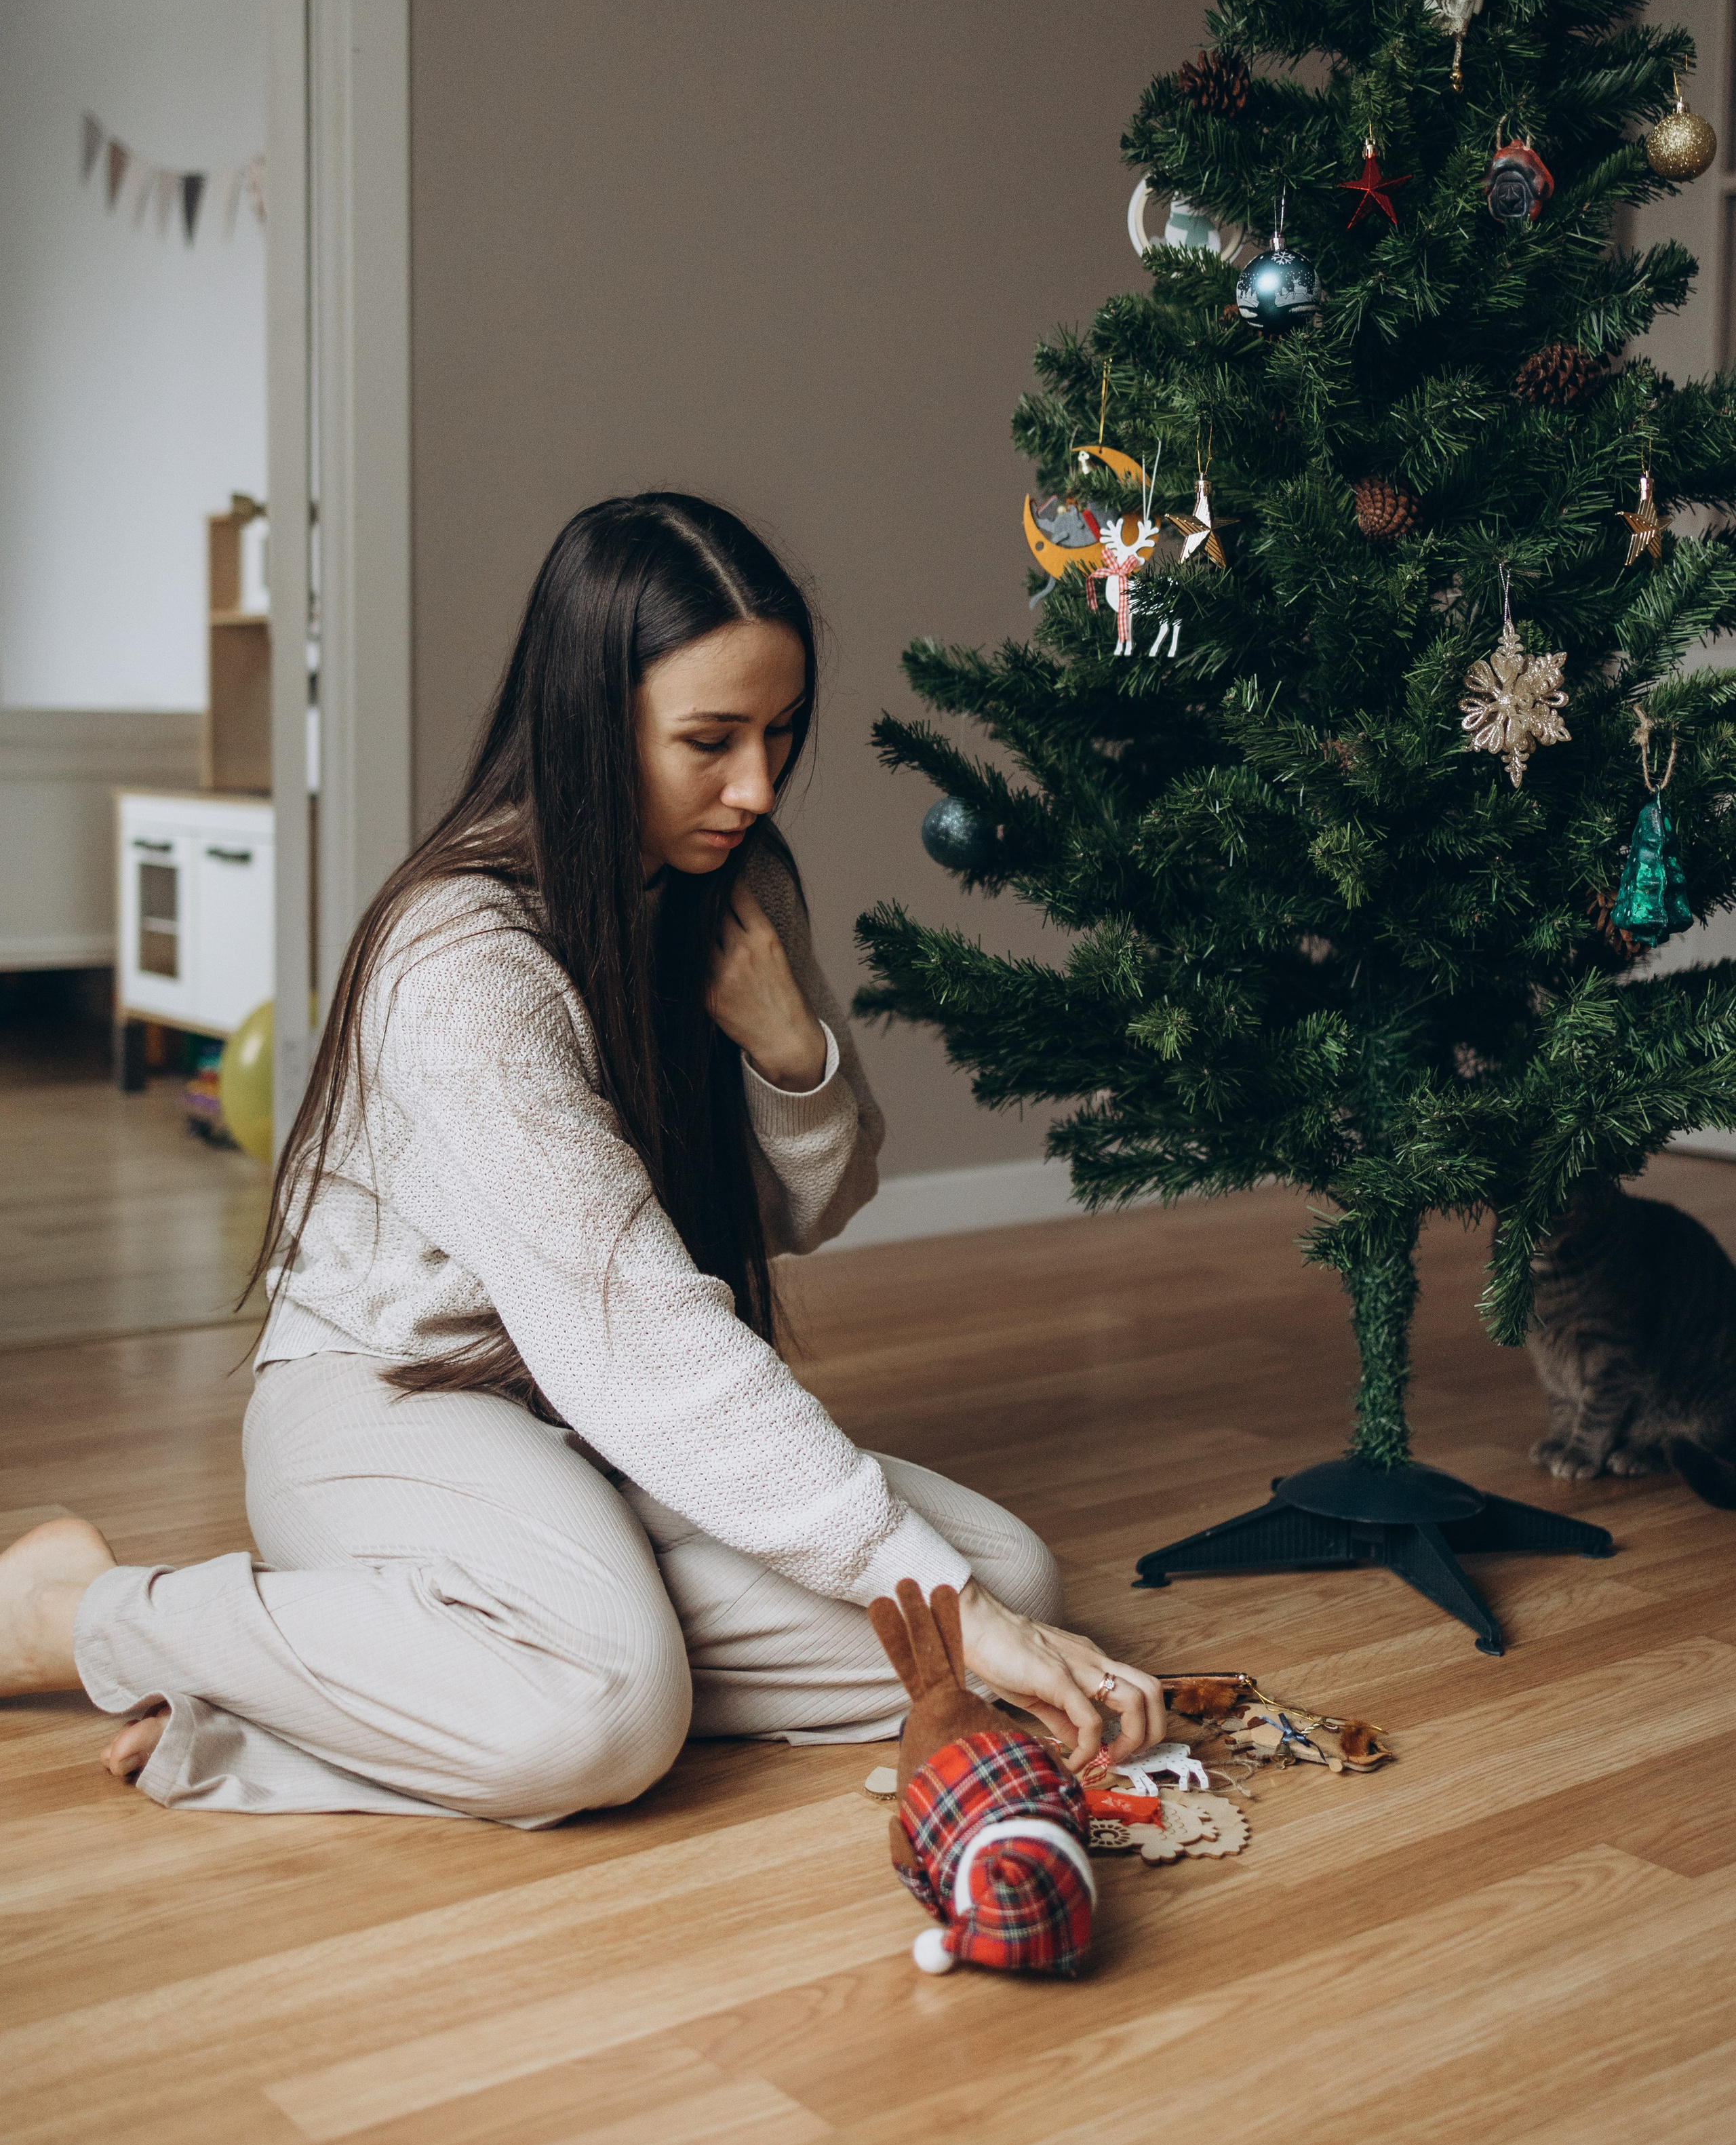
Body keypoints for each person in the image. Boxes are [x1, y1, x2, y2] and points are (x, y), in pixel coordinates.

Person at [0, 494, 1166, 1824]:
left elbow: (812, 1203)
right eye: (709, 740)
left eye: (779, 733)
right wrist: (929, 1601)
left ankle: (399, 1673)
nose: (756, 787)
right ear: (587, 725)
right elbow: (638, 1332)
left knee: (1000, 1588)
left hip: (594, 1420)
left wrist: (791, 1051)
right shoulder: (464, 967)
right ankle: (88, 1613)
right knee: (621, 1708)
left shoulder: (731, 884)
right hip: (394, 1395)